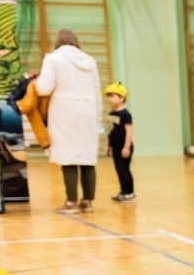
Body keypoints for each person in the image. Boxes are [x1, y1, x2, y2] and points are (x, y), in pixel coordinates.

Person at [35, 29, 101, 214]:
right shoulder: (89, 60)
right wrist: (98, 115)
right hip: (88, 111)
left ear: (58, 42)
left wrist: (35, 81)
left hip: (64, 111)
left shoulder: (53, 59)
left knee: (68, 157)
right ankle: (87, 201)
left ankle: (71, 202)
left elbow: (44, 89)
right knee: (87, 158)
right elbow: (96, 90)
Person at [104, 82, 134, 202]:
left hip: (123, 146)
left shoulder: (125, 114)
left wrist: (126, 147)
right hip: (115, 146)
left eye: (112, 96)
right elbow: (110, 130)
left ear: (121, 98)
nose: (109, 99)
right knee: (119, 169)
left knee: (124, 169)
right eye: (108, 96)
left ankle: (129, 192)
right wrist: (108, 145)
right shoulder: (111, 114)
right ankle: (123, 191)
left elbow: (129, 131)